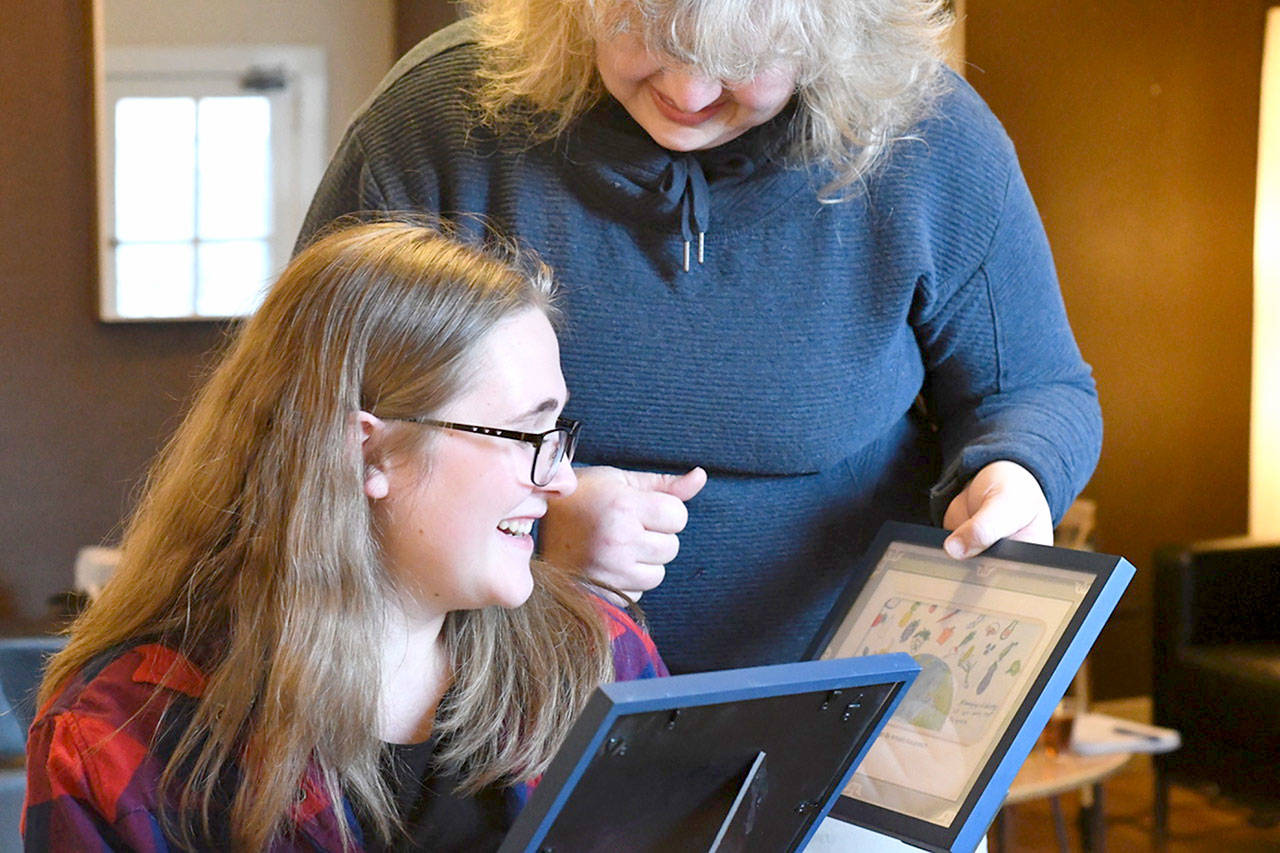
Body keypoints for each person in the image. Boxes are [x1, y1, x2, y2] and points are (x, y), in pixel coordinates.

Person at [297, 0, 1103, 675]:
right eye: (647, 30)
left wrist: (1016, 476)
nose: (687, 88)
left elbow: (1035, 390)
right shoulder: (438, 123)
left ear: (831, 35)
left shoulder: (929, 139)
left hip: (845, 704)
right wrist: (536, 519)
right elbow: (303, 440)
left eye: (742, 55)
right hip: (495, 707)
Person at [23, 221, 666, 851]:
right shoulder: (118, 738)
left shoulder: (601, 661)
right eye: (528, 437)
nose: (561, 483)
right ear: (368, 452)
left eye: (559, 438)